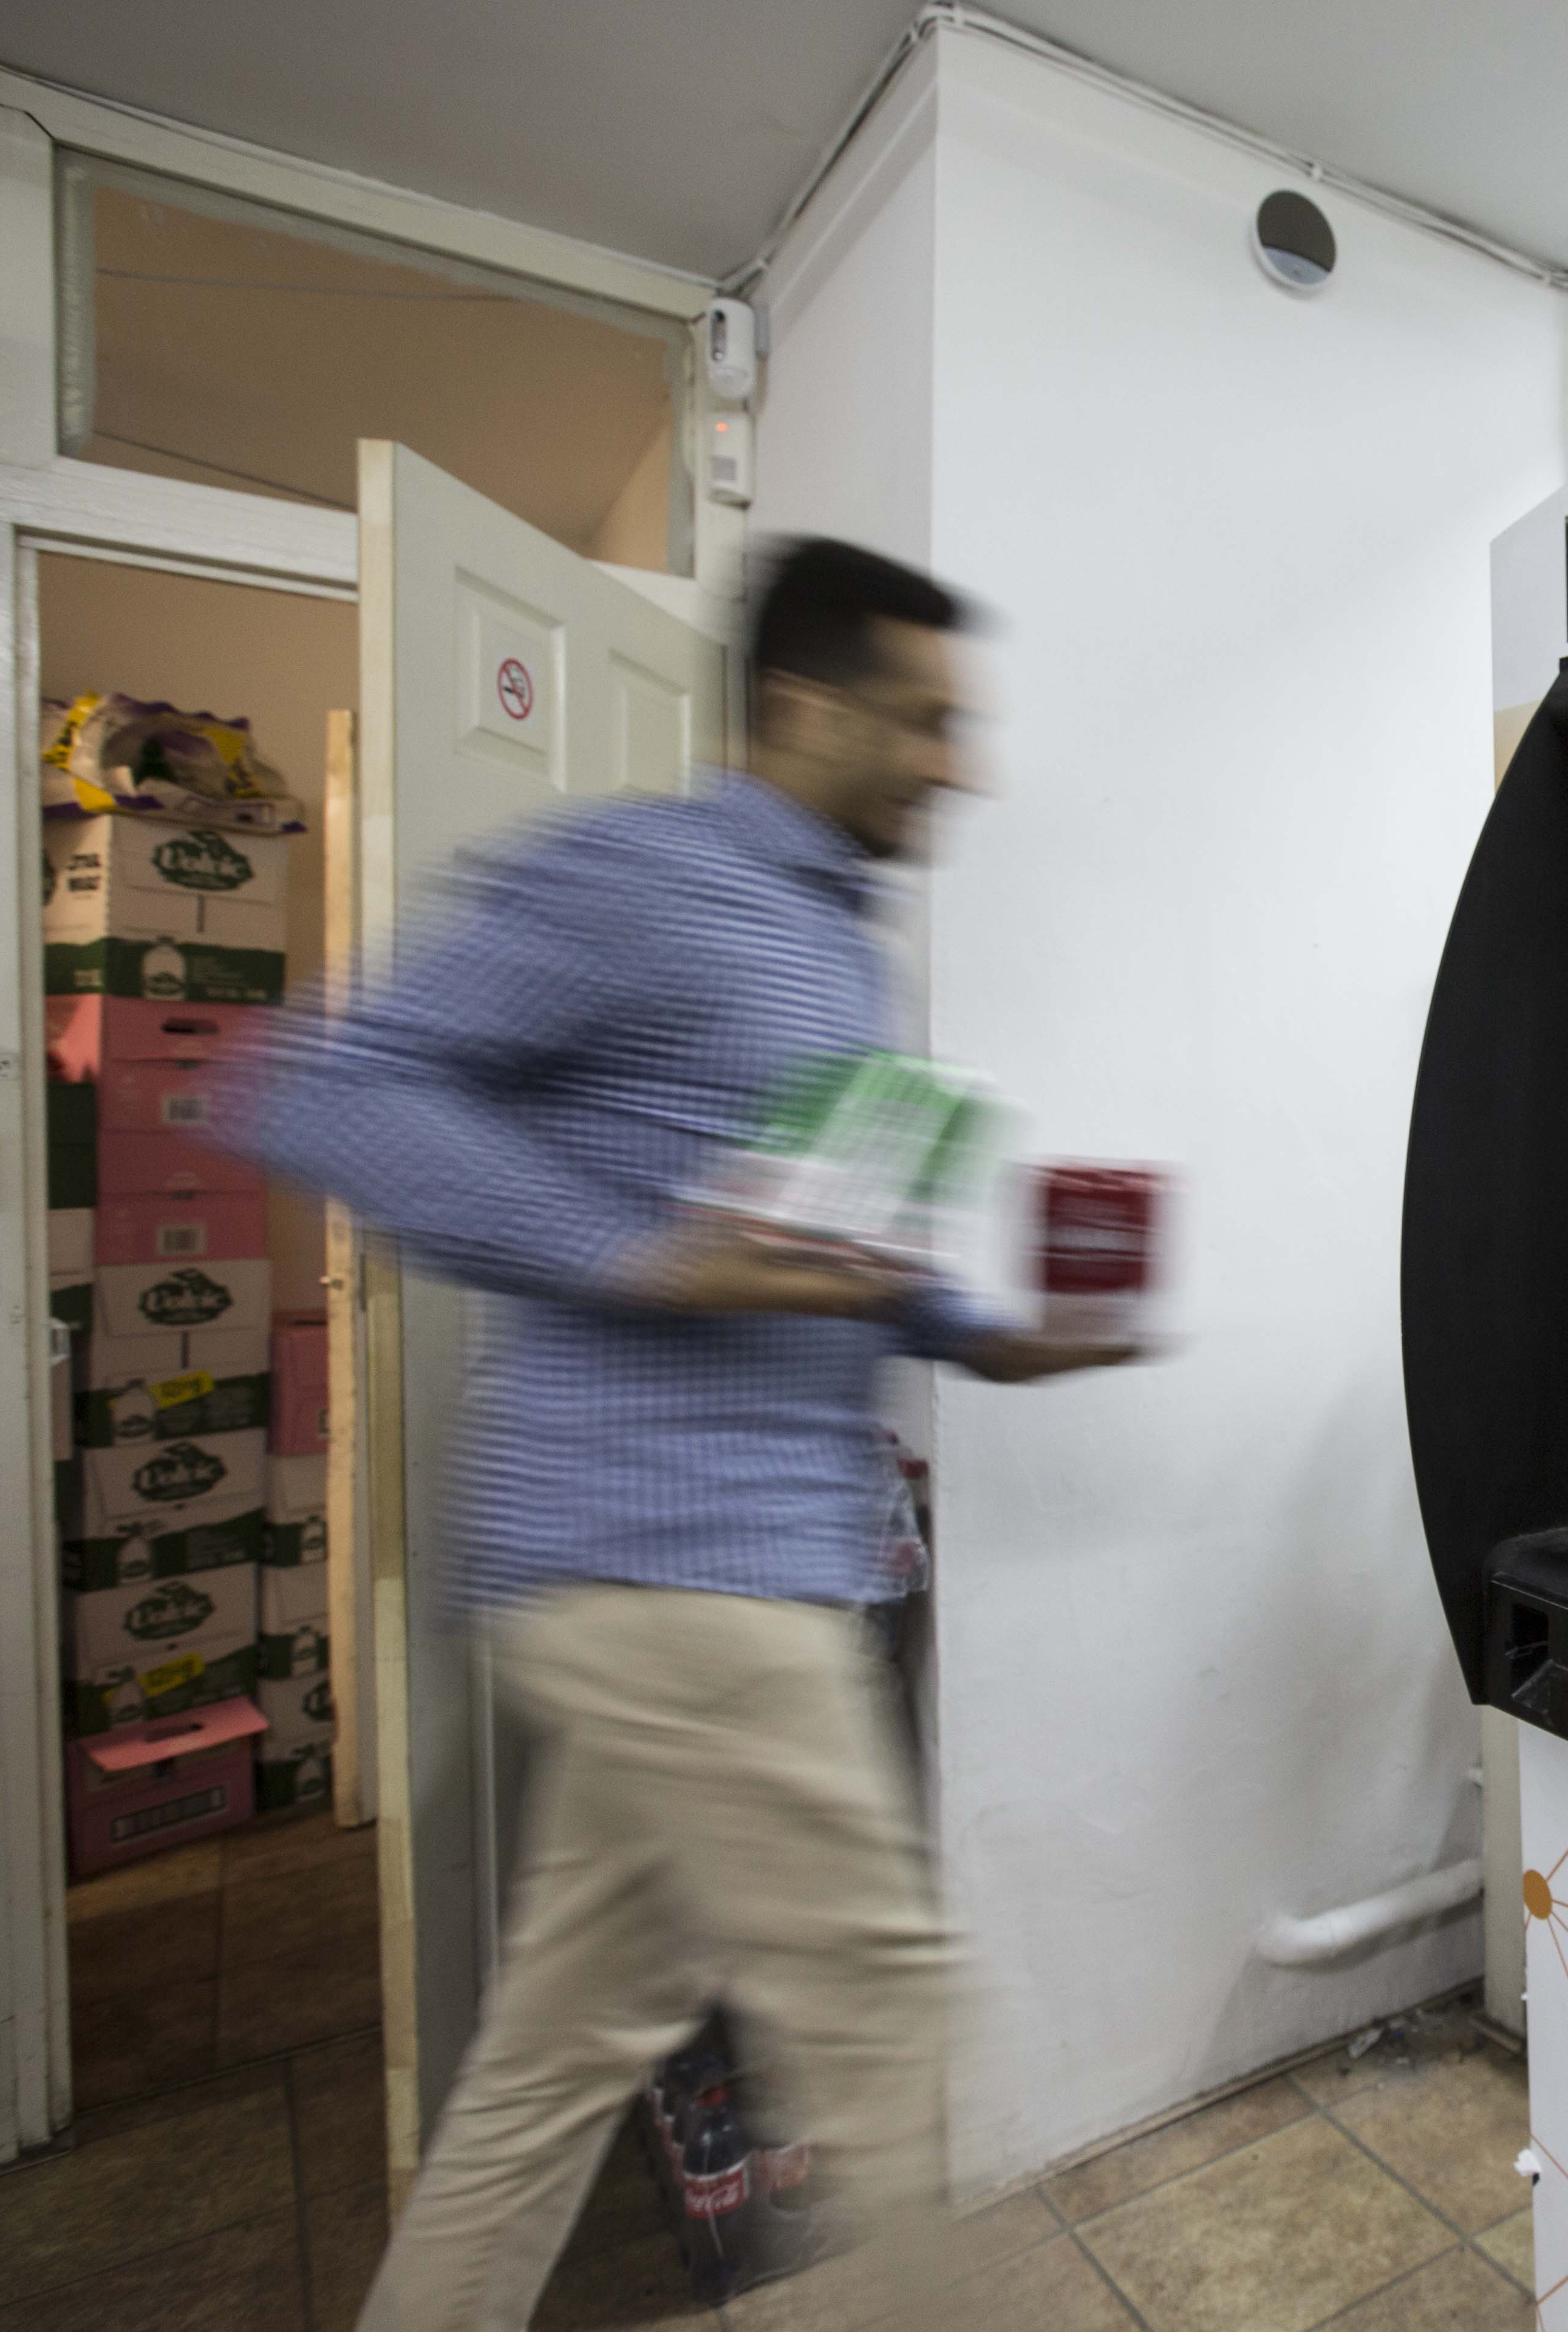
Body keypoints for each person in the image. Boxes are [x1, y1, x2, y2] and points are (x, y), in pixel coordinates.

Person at [240, 539, 1125, 2331]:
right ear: (803, 706)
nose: (963, 765)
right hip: (673, 1564)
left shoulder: (838, 951)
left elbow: (820, 1252)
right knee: (886, 2014)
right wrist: (636, 1253)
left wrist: (984, 1335)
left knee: (560, 2053)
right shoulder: (637, 878)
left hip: (744, 1561)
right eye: (929, 722)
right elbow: (330, 1090)